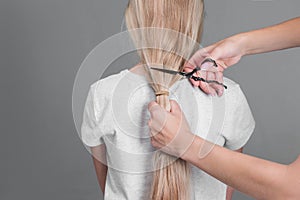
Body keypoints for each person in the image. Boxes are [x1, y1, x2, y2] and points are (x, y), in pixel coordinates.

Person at [80, 0, 255, 199]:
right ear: (195, 22)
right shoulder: (226, 94)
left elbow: (107, 185)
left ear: (134, 20)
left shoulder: (102, 95)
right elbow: (228, 185)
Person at [148, 17, 300, 199]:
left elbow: (292, 188)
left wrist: (186, 145)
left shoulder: (230, 97)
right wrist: (240, 44)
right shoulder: (105, 94)